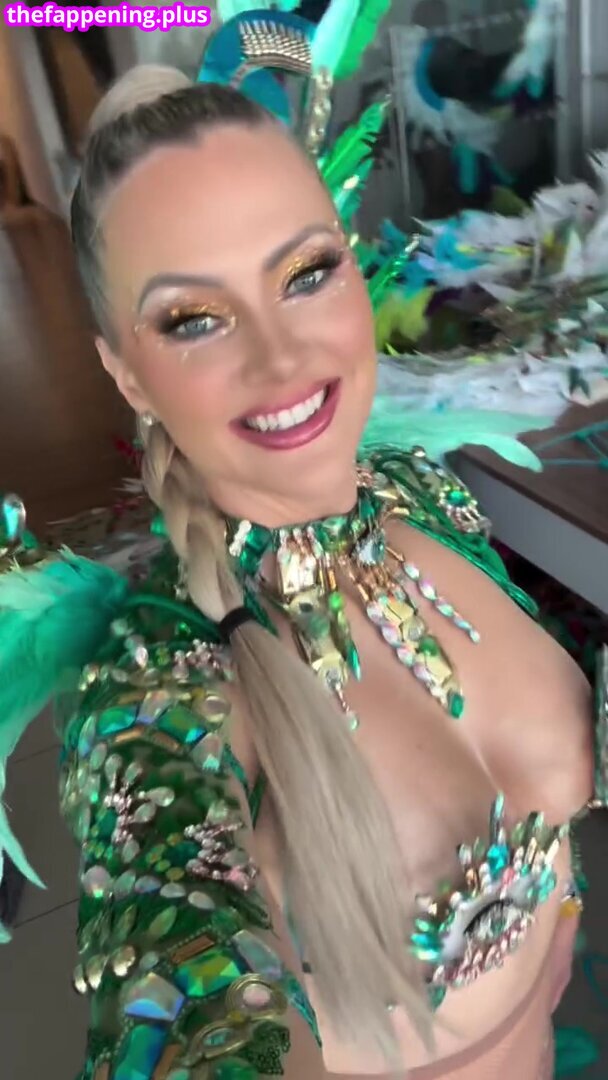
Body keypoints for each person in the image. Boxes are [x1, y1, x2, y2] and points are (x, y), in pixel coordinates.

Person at [0, 62, 600, 1080]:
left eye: (306, 272)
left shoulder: (420, 492)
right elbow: (179, 982)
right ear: (126, 373)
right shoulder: (154, 680)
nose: (281, 360)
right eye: (193, 318)